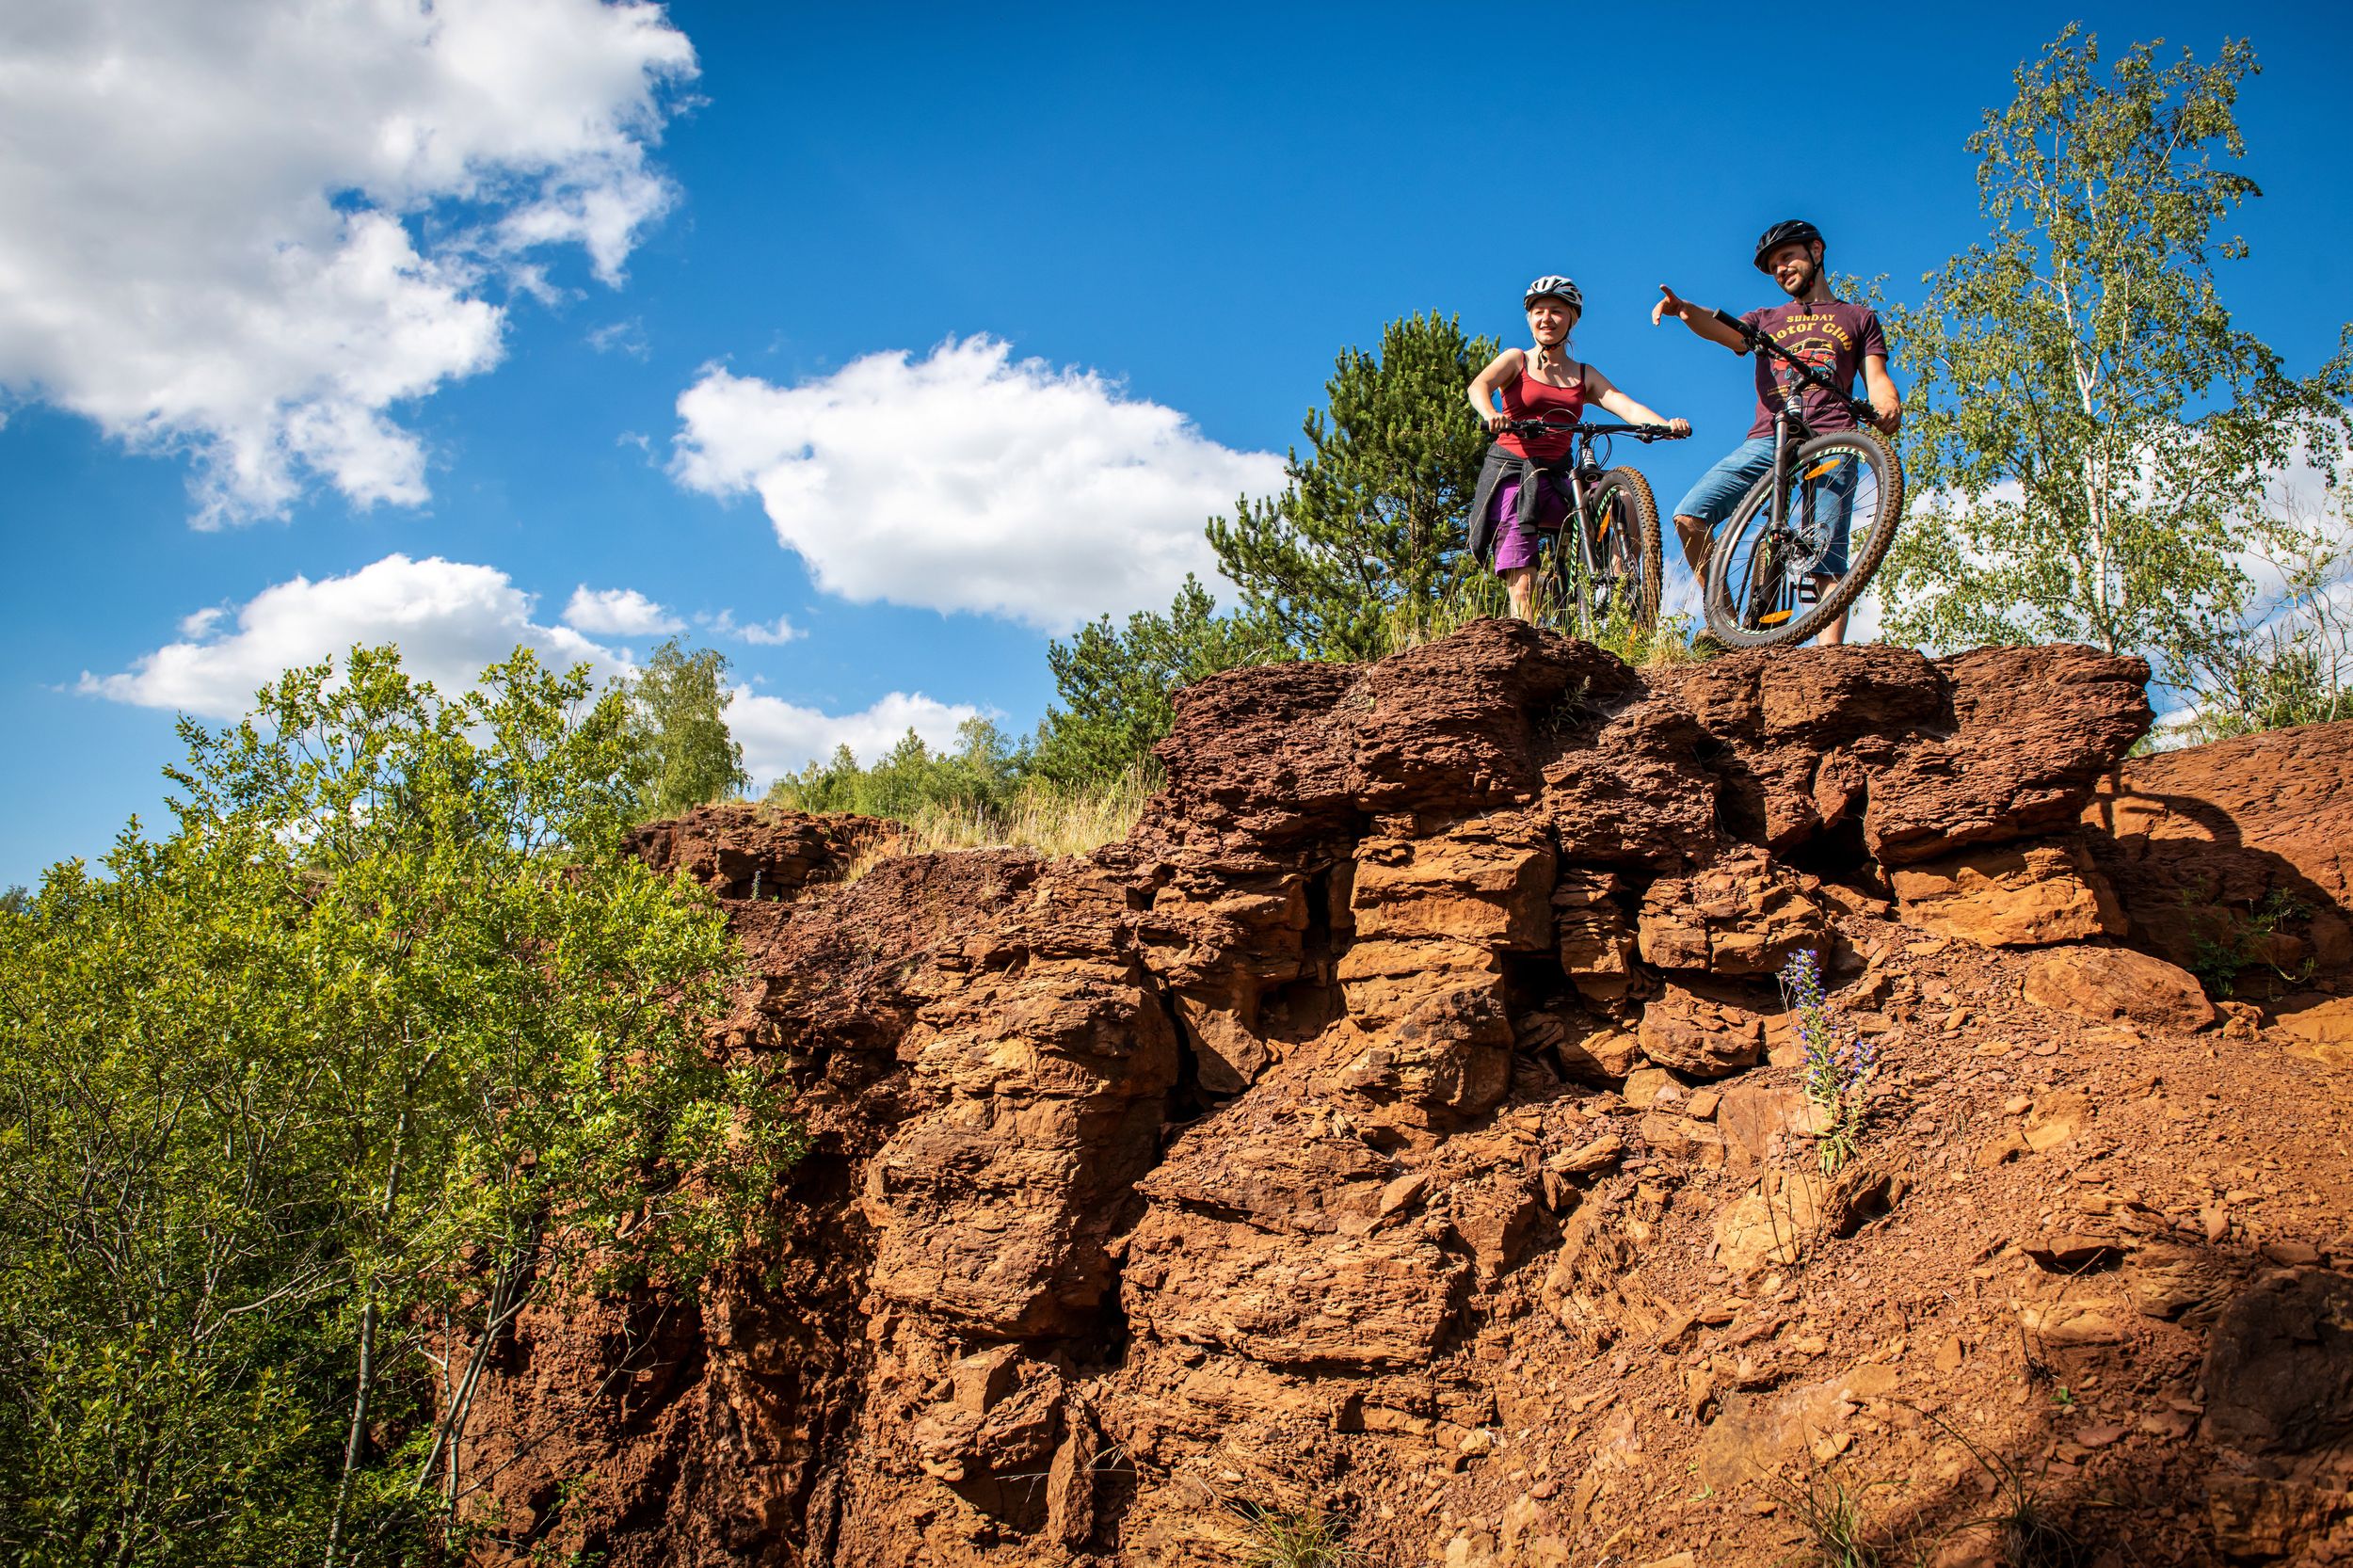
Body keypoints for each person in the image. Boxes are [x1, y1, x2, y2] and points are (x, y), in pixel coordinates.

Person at [1652, 220, 1903, 646]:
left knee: (1826, 552)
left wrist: (1887, 405)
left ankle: (1830, 658)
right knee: (1690, 515)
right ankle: (1728, 625)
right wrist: (1685, 311)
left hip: (1832, 435)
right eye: (1773, 266)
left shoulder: (1858, 318)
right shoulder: (1765, 319)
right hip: (1769, 437)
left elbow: (1876, 377)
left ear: (1817, 252)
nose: (1781, 269)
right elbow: (1723, 330)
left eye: (1787, 257)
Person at [1466, 276, 1689, 622]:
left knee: (1623, 500)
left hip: (1557, 477)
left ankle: (1621, 584)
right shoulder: (1516, 360)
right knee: (1523, 585)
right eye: (1538, 311)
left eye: (1556, 311)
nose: (1546, 319)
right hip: (1513, 473)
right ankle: (1528, 640)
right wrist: (1492, 413)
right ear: (1528, 319)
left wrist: (1665, 425)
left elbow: (1622, 404)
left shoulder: (1583, 375)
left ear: (1573, 318)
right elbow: (1479, 386)